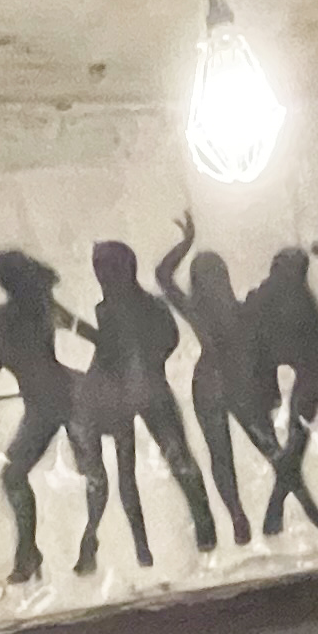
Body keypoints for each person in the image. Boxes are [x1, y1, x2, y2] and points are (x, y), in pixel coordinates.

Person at [0, 249, 106, 586]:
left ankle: (75, 544)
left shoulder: (2, 317)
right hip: (55, 399)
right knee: (33, 475)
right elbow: (91, 335)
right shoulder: (34, 309)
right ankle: (36, 551)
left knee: (78, 473)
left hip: (59, 398)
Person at [73, 238, 214, 571]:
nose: (103, 276)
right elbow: (113, 353)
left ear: (126, 269)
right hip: (126, 394)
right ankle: (156, 542)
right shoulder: (110, 308)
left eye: (108, 269)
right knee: (145, 468)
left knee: (177, 458)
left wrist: (142, 364)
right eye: (99, 269)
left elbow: (164, 340)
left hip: (146, 390)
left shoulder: (145, 306)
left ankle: (202, 526)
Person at [155, 216, 280, 541]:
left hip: (209, 382)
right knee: (269, 447)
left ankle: (238, 516)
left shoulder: (196, 309)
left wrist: (185, 243)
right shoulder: (241, 310)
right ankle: (271, 510)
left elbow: (163, 275)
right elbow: (263, 353)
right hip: (237, 381)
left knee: (221, 456)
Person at [241, 243, 318, 538]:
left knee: (296, 447)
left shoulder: (272, 300)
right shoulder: (291, 300)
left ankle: (278, 511)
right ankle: (286, 510)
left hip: (308, 378)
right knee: (309, 444)